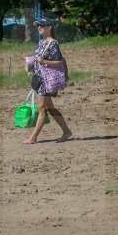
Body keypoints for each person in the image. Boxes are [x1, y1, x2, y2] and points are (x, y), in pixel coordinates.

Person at [22, 17, 72, 145]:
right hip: (40, 79)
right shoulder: (42, 43)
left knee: (42, 108)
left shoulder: (52, 44)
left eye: (42, 26)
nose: (39, 28)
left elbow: (59, 62)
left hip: (46, 80)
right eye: (38, 26)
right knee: (50, 108)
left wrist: (44, 61)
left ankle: (33, 138)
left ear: (49, 28)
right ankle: (66, 132)